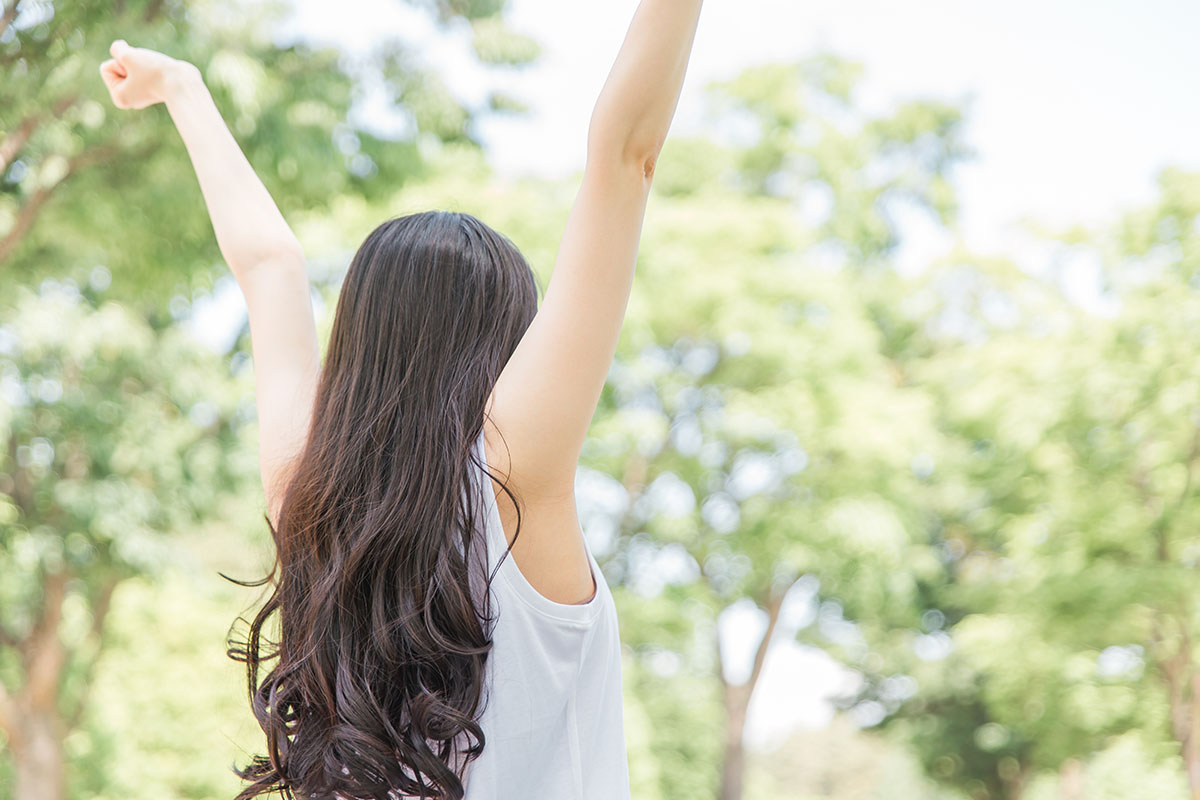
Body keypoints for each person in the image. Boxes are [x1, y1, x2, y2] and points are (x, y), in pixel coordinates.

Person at [99, 1, 703, 798]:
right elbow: (624, 156)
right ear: (505, 349)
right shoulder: (513, 474)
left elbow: (271, 267)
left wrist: (184, 88)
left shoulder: (306, 498)